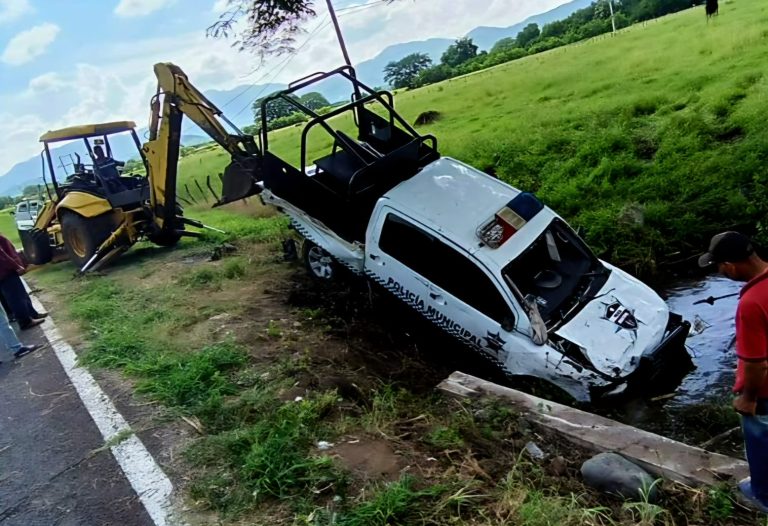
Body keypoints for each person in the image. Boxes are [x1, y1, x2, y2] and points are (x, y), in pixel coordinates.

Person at [700, 231, 768, 513]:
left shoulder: (750, 303)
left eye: (718, 266)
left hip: (764, 394)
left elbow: (757, 363)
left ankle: (762, 497)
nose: (720, 272)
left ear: (729, 265)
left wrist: (748, 398)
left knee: (761, 444)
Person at [0, 233, 46, 331]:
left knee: (21, 294)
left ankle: (32, 314)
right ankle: (25, 321)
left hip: (5, 271)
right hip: (5, 271)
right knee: (16, 298)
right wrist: (16, 266)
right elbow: (2, 256)